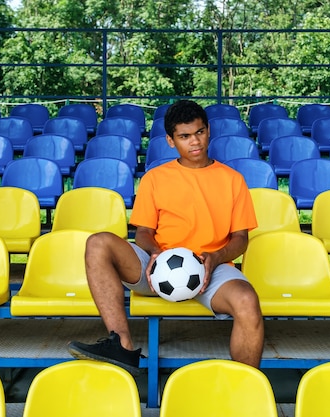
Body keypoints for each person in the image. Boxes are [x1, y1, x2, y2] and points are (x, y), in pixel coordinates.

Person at [67, 100, 264, 374]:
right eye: (184, 136)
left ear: (209, 131)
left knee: (247, 300)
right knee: (98, 242)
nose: (194, 142)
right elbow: (144, 233)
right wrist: (156, 253)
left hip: (212, 269)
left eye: (199, 132)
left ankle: (247, 385)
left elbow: (241, 238)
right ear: (171, 141)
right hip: (157, 267)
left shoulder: (233, 180)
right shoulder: (154, 178)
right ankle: (121, 345)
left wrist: (216, 257)